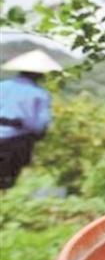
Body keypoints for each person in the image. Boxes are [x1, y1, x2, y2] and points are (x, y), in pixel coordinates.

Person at [0, 49, 61, 189]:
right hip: (16, 144)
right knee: (6, 182)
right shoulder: (39, 95)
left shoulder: (2, 86)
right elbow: (39, 126)